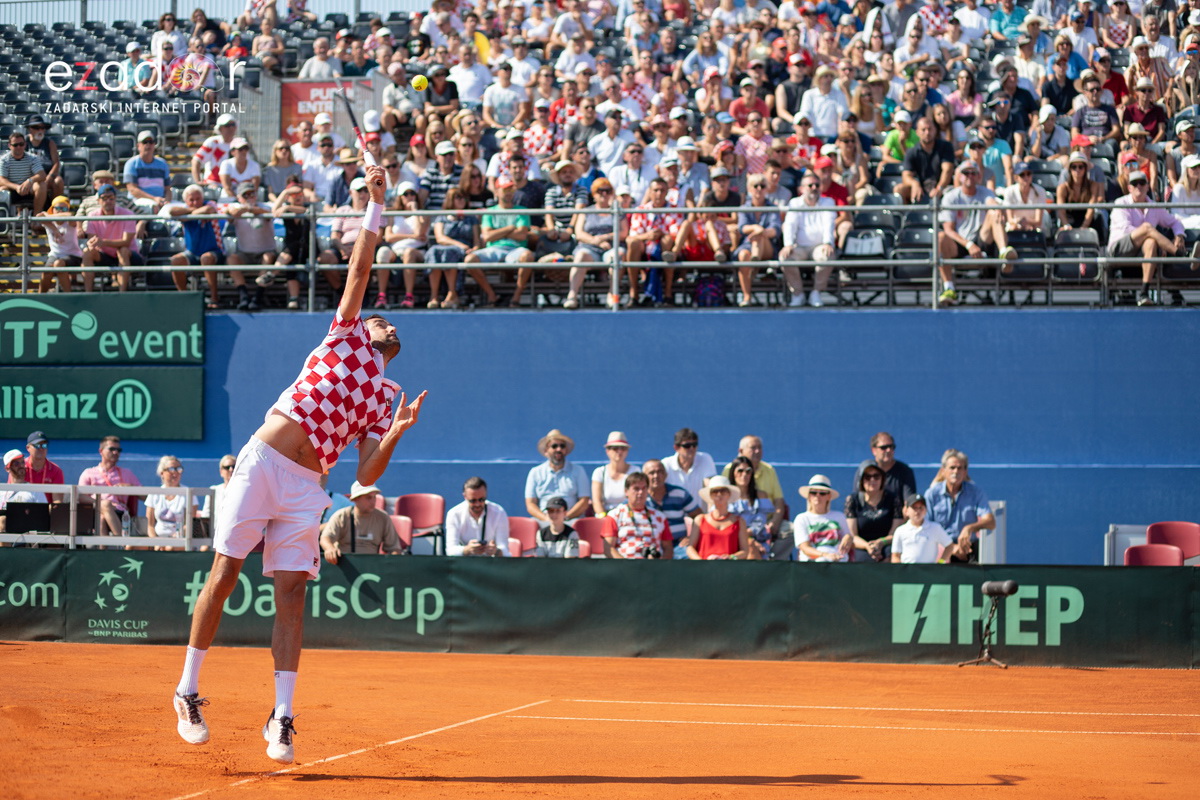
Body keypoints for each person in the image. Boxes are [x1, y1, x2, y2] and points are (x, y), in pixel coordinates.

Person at [172, 163, 427, 765]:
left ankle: (283, 716)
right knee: (225, 573)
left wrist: (395, 433)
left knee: (292, 594)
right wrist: (377, 204)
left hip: (309, 488)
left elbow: (368, 474)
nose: (386, 320)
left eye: (390, 321)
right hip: (262, 464)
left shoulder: (387, 396)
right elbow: (363, 265)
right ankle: (187, 690)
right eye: (380, 315)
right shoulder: (344, 334)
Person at [936, 160, 1018, 306]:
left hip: (982, 240)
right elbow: (948, 229)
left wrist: (997, 207)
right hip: (961, 242)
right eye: (966, 173)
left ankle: (1004, 252)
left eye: (973, 173)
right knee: (940, 237)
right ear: (959, 176)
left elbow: (991, 201)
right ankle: (949, 288)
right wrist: (968, 245)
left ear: (979, 176)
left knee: (994, 213)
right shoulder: (951, 197)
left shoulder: (985, 192)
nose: (970, 176)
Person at [1109, 170, 1186, 306]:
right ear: (1129, 188)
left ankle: (1144, 292)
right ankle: (1180, 254)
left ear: (1147, 186)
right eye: (1135, 183)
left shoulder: (1154, 206)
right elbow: (1125, 230)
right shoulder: (1120, 202)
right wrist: (1151, 234)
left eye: (1142, 183)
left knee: (1150, 242)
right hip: (1118, 250)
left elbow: (1175, 221)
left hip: (1141, 251)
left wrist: (1179, 235)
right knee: (1147, 229)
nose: (1139, 186)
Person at [924, 448, 995, 563]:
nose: (956, 472)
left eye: (960, 468)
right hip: (940, 550)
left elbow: (991, 522)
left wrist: (969, 528)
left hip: (968, 549)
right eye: (952, 468)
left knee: (977, 577)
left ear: (965, 471)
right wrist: (951, 547)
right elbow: (925, 525)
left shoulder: (975, 492)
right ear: (943, 470)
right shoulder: (932, 494)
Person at [779, 173, 837, 308]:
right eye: (810, 185)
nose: (814, 188)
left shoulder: (828, 202)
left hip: (820, 246)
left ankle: (816, 292)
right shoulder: (794, 203)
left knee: (827, 255)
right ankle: (797, 294)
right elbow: (790, 226)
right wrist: (788, 245)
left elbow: (829, 224)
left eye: (817, 185)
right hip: (799, 247)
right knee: (785, 257)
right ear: (801, 189)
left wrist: (828, 243)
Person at [320, 481, 407, 562]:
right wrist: (329, 549)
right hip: (344, 564)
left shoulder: (383, 517)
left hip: (373, 566)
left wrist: (393, 562)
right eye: (368, 498)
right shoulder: (341, 516)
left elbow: (394, 549)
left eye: (374, 497)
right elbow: (326, 538)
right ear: (356, 499)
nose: (373, 501)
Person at [81, 185, 144, 293]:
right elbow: (93, 242)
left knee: (123, 250)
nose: (108, 201)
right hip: (105, 255)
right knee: (87, 252)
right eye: (105, 198)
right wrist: (92, 244)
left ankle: (121, 294)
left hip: (129, 255)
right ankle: (88, 293)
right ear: (99, 200)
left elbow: (126, 242)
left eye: (111, 198)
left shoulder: (128, 214)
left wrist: (103, 242)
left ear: (115, 198)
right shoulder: (92, 215)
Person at [79, 435, 142, 537]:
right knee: (105, 507)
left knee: (102, 517)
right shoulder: (88, 473)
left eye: (118, 450)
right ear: (101, 451)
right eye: (112, 449)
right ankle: (122, 543)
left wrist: (129, 487)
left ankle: (104, 551)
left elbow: (145, 496)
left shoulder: (127, 473)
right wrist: (101, 503)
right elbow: (81, 497)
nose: (115, 452)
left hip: (120, 513)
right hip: (92, 512)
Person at [602, 472, 674, 559]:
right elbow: (608, 548)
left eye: (644, 488)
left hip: (653, 567)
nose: (640, 492)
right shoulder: (615, 515)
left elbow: (668, 548)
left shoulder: (660, 516)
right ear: (626, 491)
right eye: (636, 489)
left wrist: (660, 565)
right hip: (624, 566)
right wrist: (625, 565)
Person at [525, 429, 591, 522]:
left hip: (571, 520)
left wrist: (565, 517)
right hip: (544, 521)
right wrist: (546, 518)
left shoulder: (578, 471)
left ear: (566, 450)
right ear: (546, 450)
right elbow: (530, 504)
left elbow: (584, 501)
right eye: (554, 446)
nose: (559, 449)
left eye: (562, 446)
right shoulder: (535, 472)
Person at [728, 455, 785, 560]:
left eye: (748, 471)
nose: (744, 475)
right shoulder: (726, 496)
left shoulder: (761, 495)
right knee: (750, 545)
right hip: (731, 540)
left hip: (758, 539)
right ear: (733, 473)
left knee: (751, 546)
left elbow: (760, 523)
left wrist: (749, 538)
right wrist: (747, 539)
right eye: (740, 471)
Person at [643, 458, 701, 559]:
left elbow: (700, 517)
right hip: (650, 546)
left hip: (678, 546)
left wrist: (691, 538)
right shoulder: (640, 497)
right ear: (644, 477)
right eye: (651, 473)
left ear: (666, 475)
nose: (656, 476)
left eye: (660, 472)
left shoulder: (680, 494)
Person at [845, 464, 903, 563]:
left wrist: (880, 542)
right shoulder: (853, 500)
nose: (872, 480)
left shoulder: (893, 499)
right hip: (861, 545)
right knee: (861, 559)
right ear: (861, 480)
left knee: (891, 556)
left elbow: (895, 534)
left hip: (886, 544)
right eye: (867, 477)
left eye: (876, 477)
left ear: (882, 480)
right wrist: (867, 546)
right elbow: (853, 535)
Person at [685, 476, 752, 560]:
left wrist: (731, 557)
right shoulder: (700, 519)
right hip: (703, 570)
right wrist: (701, 562)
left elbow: (745, 551)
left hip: (729, 570)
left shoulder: (739, 521)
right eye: (715, 491)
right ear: (710, 495)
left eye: (723, 491)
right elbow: (690, 548)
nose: (719, 494)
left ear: (729, 494)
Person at [445, 476, 511, 557]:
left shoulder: (499, 512)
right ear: (465, 497)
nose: (478, 504)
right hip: (464, 565)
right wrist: (467, 550)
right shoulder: (454, 514)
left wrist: (496, 551)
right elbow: (450, 550)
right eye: (472, 500)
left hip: (490, 565)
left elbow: (505, 550)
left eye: (481, 499)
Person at [793, 474, 853, 562]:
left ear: (828, 496)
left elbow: (848, 537)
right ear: (809, 496)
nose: (817, 496)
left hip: (838, 564)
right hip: (812, 566)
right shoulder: (801, 518)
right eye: (813, 492)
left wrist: (848, 538)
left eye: (822, 493)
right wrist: (825, 555)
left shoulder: (839, 516)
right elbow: (805, 548)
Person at [146, 456, 199, 549]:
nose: (175, 472)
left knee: (169, 548)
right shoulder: (154, 494)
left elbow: (190, 524)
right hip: (158, 539)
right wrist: (156, 542)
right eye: (171, 469)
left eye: (178, 469)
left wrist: (173, 539)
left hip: (180, 539)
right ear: (162, 473)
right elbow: (150, 525)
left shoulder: (189, 493)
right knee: (130, 547)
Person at [891, 492, 959, 564]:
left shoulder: (935, 527)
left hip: (929, 573)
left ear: (926, 510)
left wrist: (940, 563)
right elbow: (895, 556)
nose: (918, 511)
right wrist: (901, 571)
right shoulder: (900, 530)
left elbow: (949, 546)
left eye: (921, 507)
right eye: (914, 507)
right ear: (907, 511)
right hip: (908, 573)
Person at [851, 431, 918, 502]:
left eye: (891, 447)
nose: (888, 450)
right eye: (884, 447)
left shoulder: (904, 471)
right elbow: (856, 499)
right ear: (873, 450)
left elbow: (908, 503)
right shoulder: (864, 470)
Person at [0, 131, 47, 215]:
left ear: (25, 145)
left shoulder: (32, 158)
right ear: (9, 146)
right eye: (15, 145)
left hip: (29, 189)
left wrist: (29, 181)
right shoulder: (4, 160)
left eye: (21, 144)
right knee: (2, 190)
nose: (19, 147)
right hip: (12, 189)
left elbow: (42, 174)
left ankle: (37, 217)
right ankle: (5, 220)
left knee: (41, 185)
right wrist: (17, 187)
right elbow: (2, 180)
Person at [123, 131, 171, 211]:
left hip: (160, 201)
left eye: (151, 142)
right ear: (138, 146)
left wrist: (167, 201)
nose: (148, 145)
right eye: (145, 142)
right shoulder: (131, 163)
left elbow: (168, 189)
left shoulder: (163, 163)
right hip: (138, 202)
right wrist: (154, 199)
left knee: (178, 209)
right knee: (154, 208)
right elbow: (132, 190)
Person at [592, 431, 633, 515]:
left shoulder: (635, 471)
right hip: (605, 517)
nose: (619, 451)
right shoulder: (599, 472)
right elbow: (596, 501)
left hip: (629, 517)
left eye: (623, 448)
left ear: (627, 451)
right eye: (615, 448)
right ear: (607, 451)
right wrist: (605, 519)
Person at [0, 450, 38, 531]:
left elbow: (42, 516)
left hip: (27, 532)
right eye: (16, 464)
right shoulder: (2, 491)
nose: (21, 466)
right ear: (7, 468)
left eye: (22, 462)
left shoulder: (34, 490)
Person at [21, 431, 64, 503]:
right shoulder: (19, 467)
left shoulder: (56, 470)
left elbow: (57, 501)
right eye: (37, 445)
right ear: (28, 448)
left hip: (46, 511)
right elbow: (11, 494)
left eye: (44, 445)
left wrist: (45, 511)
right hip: (22, 509)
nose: (41, 449)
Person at [200, 454, 236, 522]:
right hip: (215, 531)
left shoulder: (244, 491)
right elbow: (205, 515)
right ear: (221, 472)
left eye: (234, 467)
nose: (231, 469)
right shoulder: (213, 491)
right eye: (227, 467)